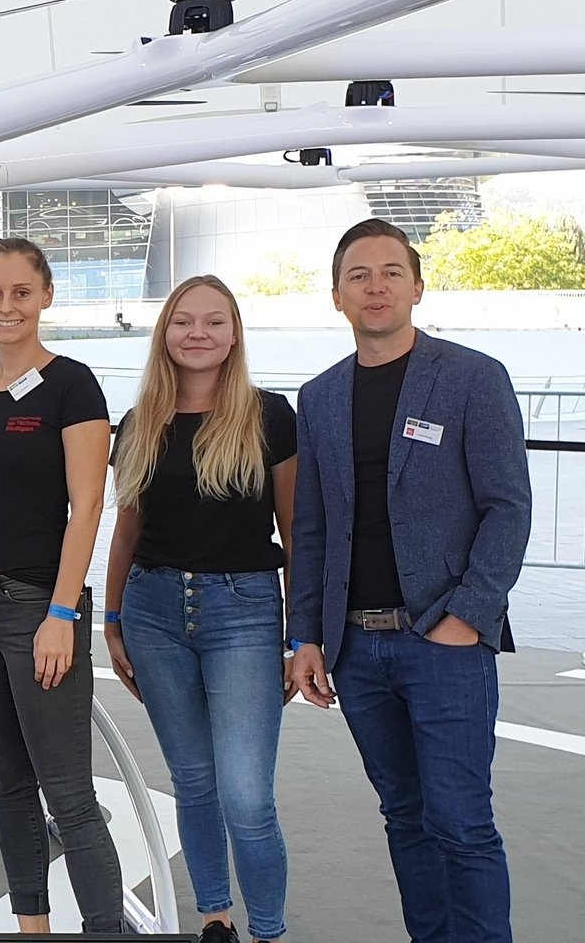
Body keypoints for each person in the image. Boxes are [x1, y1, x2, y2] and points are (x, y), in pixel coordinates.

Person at [286, 218, 532, 943]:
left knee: (460, 821)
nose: (376, 286)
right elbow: (311, 530)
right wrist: (306, 636)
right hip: (356, 651)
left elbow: (508, 508)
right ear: (336, 295)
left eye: (391, 272)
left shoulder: (472, 379)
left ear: (417, 286)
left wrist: (468, 616)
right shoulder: (320, 396)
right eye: (358, 275)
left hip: (444, 641)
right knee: (405, 816)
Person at [0, 236, 121, 934]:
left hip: (38, 606)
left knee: (69, 795)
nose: (5, 307)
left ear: (45, 298)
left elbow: (89, 507)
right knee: (9, 786)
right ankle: (31, 927)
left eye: (19, 293)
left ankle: (103, 930)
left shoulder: (74, 385)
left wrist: (62, 614)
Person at [103, 276, 295, 943]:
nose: (198, 333)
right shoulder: (139, 422)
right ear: (165, 333)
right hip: (153, 609)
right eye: (184, 321)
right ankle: (215, 916)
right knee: (193, 780)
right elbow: (126, 530)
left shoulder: (270, 416)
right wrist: (112, 619)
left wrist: (301, 638)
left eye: (214, 321)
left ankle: (268, 930)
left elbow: (296, 533)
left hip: (244, 610)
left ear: (235, 333)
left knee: (247, 797)